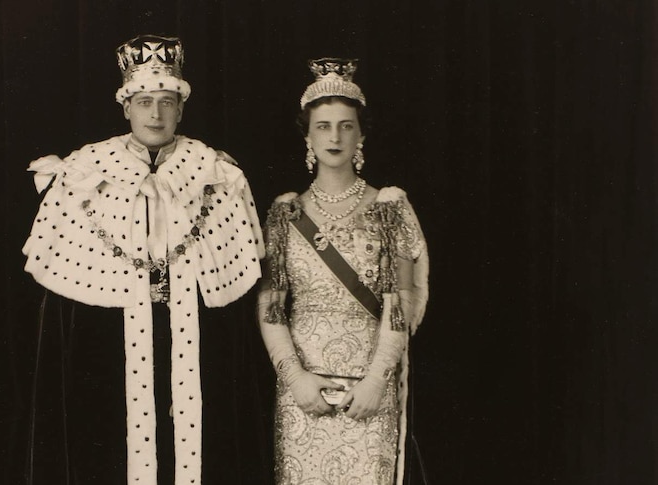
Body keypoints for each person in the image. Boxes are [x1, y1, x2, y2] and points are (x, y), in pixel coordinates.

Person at [22, 35, 267, 485]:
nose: (156, 114)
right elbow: (63, 306)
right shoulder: (84, 170)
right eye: (144, 101)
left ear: (181, 108)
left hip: (194, 341)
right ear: (126, 107)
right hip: (108, 348)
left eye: (167, 102)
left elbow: (233, 300)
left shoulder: (217, 173)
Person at [257, 58, 429, 485]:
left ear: (362, 134)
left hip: (369, 391)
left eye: (346, 125)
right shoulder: (284, 214)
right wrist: (295, 378)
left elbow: (399, 306)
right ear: (308, 136)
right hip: (303, 392)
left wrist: (374, 383)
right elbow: (271, 306)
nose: (334, 136)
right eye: (323, 126)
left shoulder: (389, 208)